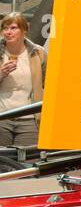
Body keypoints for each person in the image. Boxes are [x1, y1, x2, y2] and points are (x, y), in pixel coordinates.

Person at [0, 12, 46, 149]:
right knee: (2, 164)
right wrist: (1, 74)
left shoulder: (39, 53)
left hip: (29, 119)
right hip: (2, 117)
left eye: (13, 28)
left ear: (24, 30)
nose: (8, 32)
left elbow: (49, 83)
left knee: (27, 165)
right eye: (5, 28)